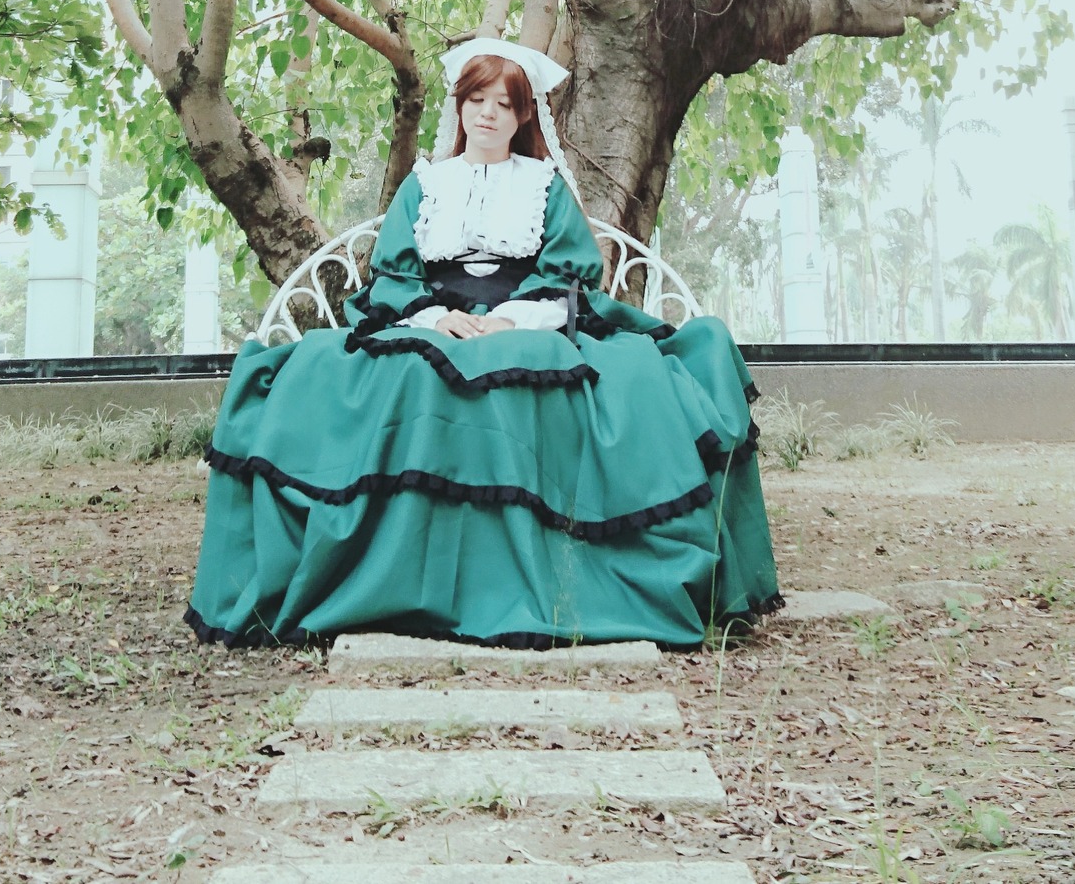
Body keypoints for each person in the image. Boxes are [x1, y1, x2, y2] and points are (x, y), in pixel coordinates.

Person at [184, 37, 781, 650]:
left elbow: (568, 272)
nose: (488, 113)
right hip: (433, 315)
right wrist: (437, 316)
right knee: (406, 371)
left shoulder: (545, 185)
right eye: (477, 99)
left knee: (538, 361)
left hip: (527, 316)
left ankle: (539, 578)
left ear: (524, 116)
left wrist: (514, 319)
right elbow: (395, 272)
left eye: (503, 103)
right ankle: (399, 576)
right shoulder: (426, 183)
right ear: (460, 106)